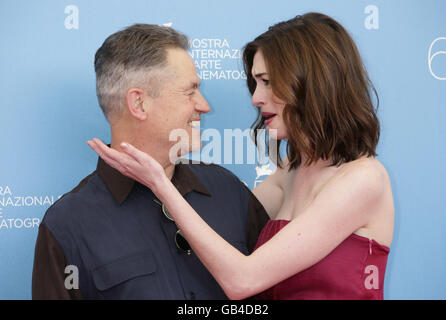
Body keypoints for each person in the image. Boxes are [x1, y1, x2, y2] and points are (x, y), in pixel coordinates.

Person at [88, 12, 395, 300]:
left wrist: (160, 183)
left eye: (268, 81)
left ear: (313, 82)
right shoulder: (289, 173)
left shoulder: (363, 179)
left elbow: (243, 280)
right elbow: (220, 220)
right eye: (256, 82)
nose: (256, 98)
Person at [31, 24, 269, 299]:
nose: (204, 106)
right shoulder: (67, 225)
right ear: (139, 104)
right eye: (189, 91)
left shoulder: (229, 191)